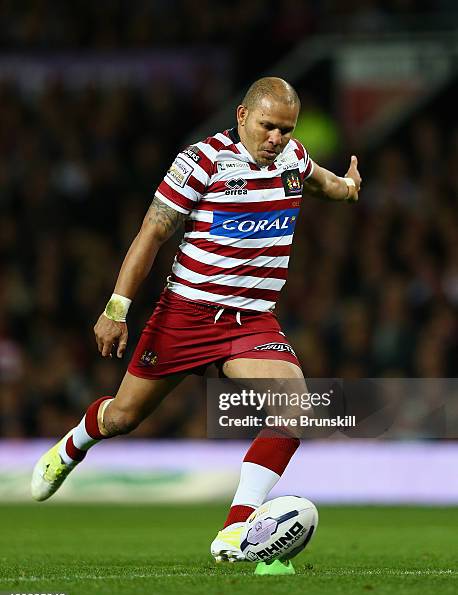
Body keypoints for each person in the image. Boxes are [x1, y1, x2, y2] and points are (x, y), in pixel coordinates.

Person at [31, 77, 361, 562]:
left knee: (295, 410)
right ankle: (74, 444)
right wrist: (116, 308)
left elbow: (321, 181)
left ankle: (234, 533)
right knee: (123, 417)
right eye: (268, 127)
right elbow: (152, 233)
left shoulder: (292, 159)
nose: (276, 139)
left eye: (286, 131)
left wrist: (348, 188)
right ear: (243, 117)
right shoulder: (201, 162)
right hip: (184, 316)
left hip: (251, 322)